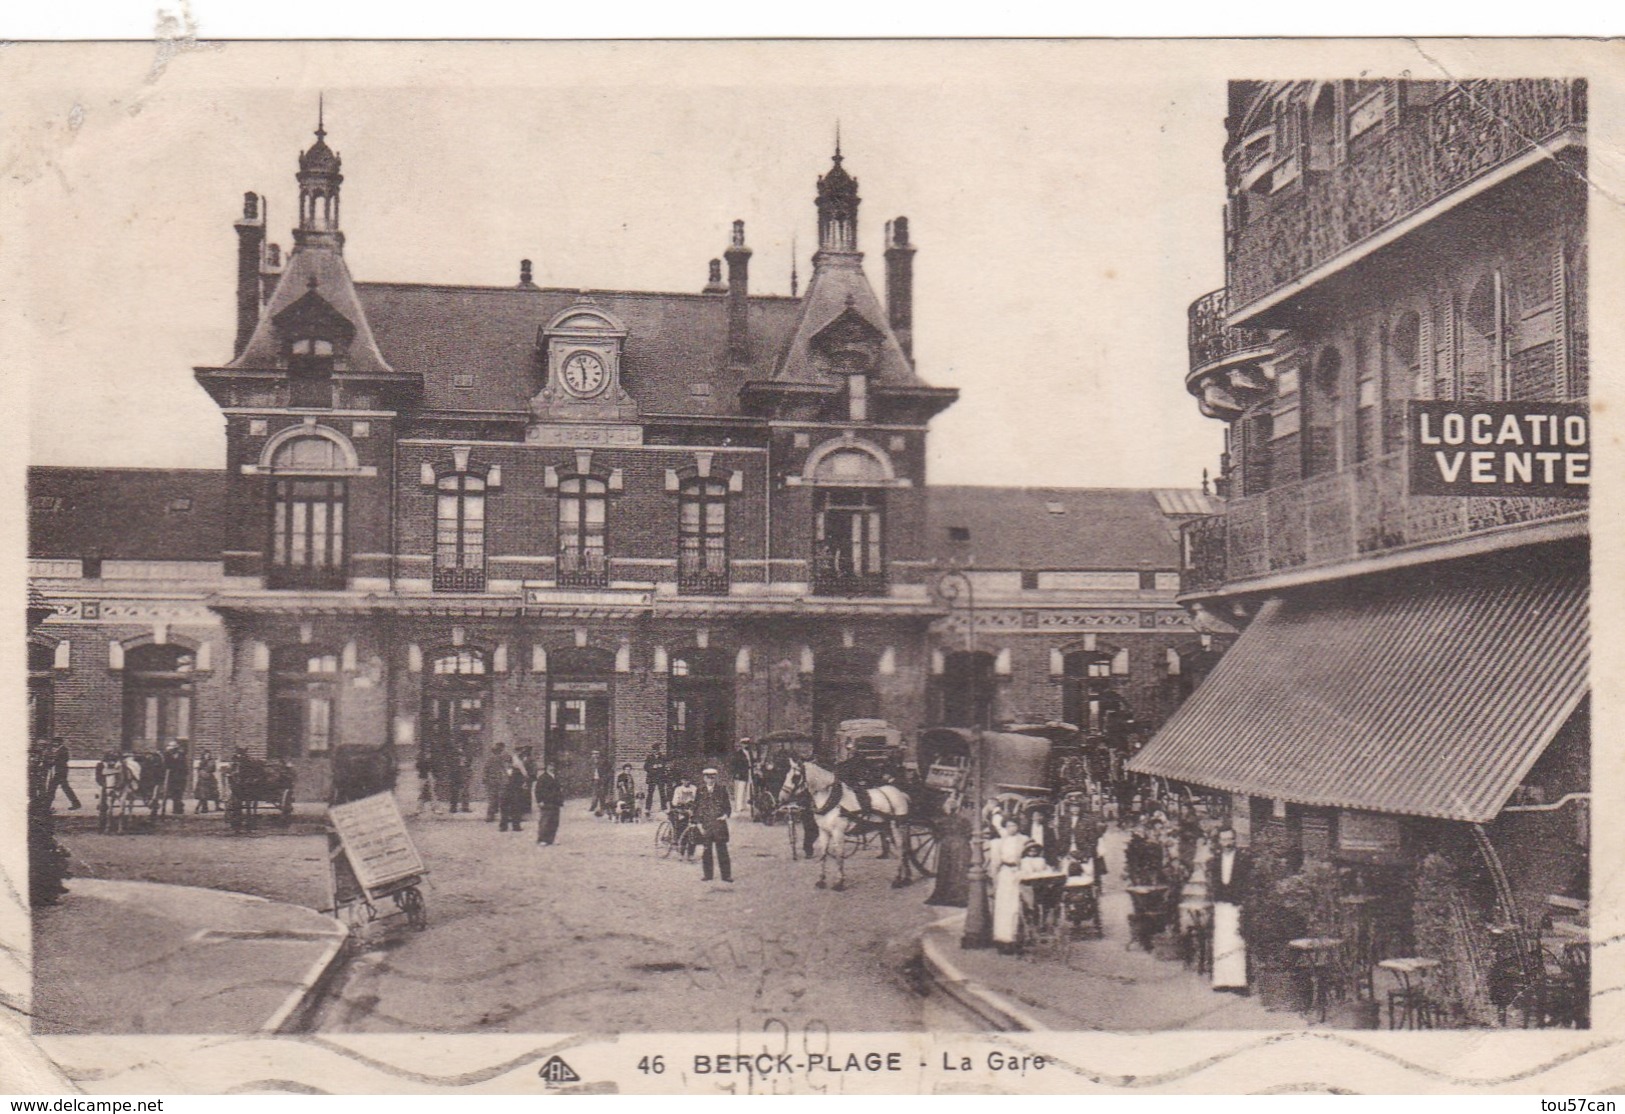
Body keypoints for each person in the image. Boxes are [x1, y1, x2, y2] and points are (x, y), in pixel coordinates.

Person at [1208, 827, 1252, 993]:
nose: (1227, 843)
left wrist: (1242, 901)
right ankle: (1221, 981)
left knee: (1236, 941)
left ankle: (1238, 982)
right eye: (1224, 840)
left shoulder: (1242, 860)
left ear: (1235, 840)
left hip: (1236, 904)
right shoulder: (1215, 861)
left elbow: (1246, 882)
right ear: (1219, 842)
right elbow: (1214, 883)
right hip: (1221, 904)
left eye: (1230, 839)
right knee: (1221, 940)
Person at [987, 815, 1028, 954]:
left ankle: (1017, 938)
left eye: (1014, 825)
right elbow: (995, 864)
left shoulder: (1024, 840)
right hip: (1004, 875)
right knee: (1003, 907)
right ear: (1005, 827)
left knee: (1016, 906)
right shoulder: (999, 842)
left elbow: (1028, 856)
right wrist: (995, 881)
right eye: (1009, 826)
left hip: (1018, 874)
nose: (1012, 828)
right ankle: (1002, 939)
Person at [691, 767, 733, 883]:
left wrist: (724, 816)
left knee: (722, 850)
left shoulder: (721, 790)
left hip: (719, 824)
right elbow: (696, 808)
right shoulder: (700, 791)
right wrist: (698, 823)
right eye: (708, 778)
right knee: (706, 850)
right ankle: (708, 875)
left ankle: (726, 875)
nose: (710, 780)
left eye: (713, 777)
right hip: (706, 825)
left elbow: (727, 807)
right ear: (704, 778)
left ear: (715, 778)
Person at [498, 747, 531, 832]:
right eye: (505, 762)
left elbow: (522, 780)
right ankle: (503, 826)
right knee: (504, 810)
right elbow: (498, 781)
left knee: (515, 809)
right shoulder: (501, 771)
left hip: (515, 792)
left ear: (511, 762)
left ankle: (516, 826)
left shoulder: (517, 770)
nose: (507, 763)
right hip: (504, 793)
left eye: (508, 762)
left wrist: (520, 788)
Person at [46, 738, 81, 811]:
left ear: (59, 742)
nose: (54, 744)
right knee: (64, 788)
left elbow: (62, 760)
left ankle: (47, 805)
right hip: (60, 771)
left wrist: (52, 763)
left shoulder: (63, 750)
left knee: (52, 788)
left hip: (61, 772)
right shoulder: (60, 749)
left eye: (55, 742)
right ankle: (76, 803)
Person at [533, 761, 563, 845]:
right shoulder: (543, 777)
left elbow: (559, 789)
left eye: (553, 766)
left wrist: (560, 799)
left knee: (554, 822)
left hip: (555, 802)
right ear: (547, 767)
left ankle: (551, 839)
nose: (552, 768)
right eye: (550, 766)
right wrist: (539, 801)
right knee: (545, 821)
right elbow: (538, 790)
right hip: (546, 802)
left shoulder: (556, 777)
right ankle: (542, 839)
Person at [162, 741, 189, 815]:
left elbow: (185, 767)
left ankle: (178, 808)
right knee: (173, 794)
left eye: (174, 749)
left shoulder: (181, 755)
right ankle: (178, 807)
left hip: (180, 778)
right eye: (171, 749)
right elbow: (165, 765)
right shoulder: (167, 755)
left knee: (179, 793)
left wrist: (184, 774)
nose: (172, 750)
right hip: (171, 777)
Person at [482, 743, 508, 822]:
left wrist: (485, 779)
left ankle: (490, 816)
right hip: (500, 780)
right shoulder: (502, 759)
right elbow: (506, 770)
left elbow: (485, 770)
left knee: (492, 799)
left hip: (491, 781)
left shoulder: (489, 759)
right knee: (502, 799)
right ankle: (503, 816)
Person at [193, 748, 220, 814]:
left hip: (210, 779)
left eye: (208, 754)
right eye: (206, 755)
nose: (207, 756)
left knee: (215, 793)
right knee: (203, 795)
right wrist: (202, 773)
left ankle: (217, 806)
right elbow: (199, 770)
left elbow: (213, 769)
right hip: (203, 780)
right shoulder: (201, 762)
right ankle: (202, 808)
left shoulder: (211, 761)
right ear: (203, 755)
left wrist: (207, 772)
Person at [729, 741, 752, 815]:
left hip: (748, 772)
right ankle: (738, 807)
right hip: (740, 774)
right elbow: (734, 764)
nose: (746, 745)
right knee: (740, 790)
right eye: (744, 744)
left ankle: (745, 805)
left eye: (747, 744)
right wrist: (736, 773)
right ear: (742, 745)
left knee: (747, 789)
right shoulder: (738, 754)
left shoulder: (750, 753)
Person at [644, 744, 669, 812]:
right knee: (650, 793)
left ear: (659, 750)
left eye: (657, 750)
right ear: (652, 750)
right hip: (652, 777)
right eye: (654, 750)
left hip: (660, 777)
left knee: (662, 793)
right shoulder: (649, 757)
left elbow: (666, 766)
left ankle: (664, 808)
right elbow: (645, 767)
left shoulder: (663, 757)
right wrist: (652, 767)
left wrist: (662, 766)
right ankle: (647, 808)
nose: (655, 751)